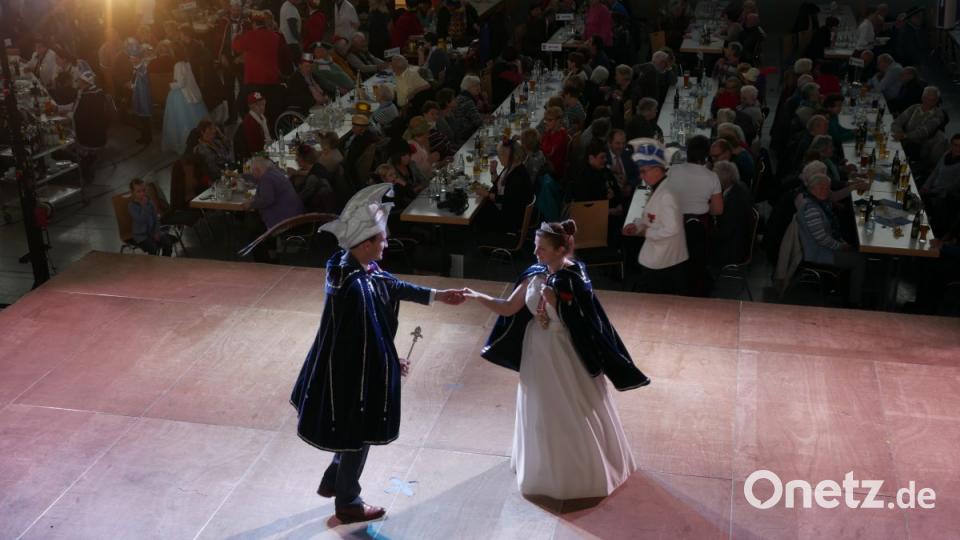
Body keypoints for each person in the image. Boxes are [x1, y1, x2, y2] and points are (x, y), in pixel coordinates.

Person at [291, 184, 465, 523]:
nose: (386, 244)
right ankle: (348, 502)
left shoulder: (351, 267)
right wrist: (389, 363)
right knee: (360, 433)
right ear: (366, 243)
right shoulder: (354, 287)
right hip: (352, 374)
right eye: (382, 239)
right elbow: (365, 339)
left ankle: (334, 479)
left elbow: (391, 286)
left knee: (349, 428)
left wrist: (438, 296)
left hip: (344, 368)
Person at [464, 219, 648, 499]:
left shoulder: (574, 279)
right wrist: (477, 296)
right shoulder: (535, 273)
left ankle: (580, 474)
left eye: (542, 249)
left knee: (570, 408)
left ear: (561, 250)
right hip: (536, 350)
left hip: (564, 353)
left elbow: (586, 322)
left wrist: (556, 303)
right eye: (535, 247)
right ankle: (541, 468)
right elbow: (509, 308)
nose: (536, 254)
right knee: (540, 407)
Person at [623, 139, 688, 295]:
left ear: (657, 169)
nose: (641, 176)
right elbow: (652, 216)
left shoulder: (667, 195)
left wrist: (645, 232)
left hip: (665, 259)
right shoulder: (659, 187)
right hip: (659, 257)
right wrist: (637, 225)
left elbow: (672, 229)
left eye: (644, 171)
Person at [795, 173, 865, 305]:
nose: (826, 191)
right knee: (859, 259)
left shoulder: (812, 200)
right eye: (823, 188)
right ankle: (854, 302)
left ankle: (846, 288)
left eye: (827, 188)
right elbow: (822, 239)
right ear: (813, 188)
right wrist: (842, 246)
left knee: (853, 247)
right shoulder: (812, 209)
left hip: (822, 248)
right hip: (818, 253)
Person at [474, 139, 534, 234]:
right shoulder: (512, 167)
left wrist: (487, 194)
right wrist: (493, 171)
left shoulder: (517, 176)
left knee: (477, 211)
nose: (498, 157)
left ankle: (481, 239)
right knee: (480, 205)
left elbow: (504, 199)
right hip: (510, 211)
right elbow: (501, 185)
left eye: (500, 155)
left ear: (508, 156)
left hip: (510, 220)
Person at [162, 46, 209, 155]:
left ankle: (182, 142)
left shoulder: (177, 65)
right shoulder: (187, 63)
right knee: (192, 118)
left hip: (180, 95)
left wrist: (170, 85)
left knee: (179, 119)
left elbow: (181, 83)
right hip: (190, 93)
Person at [128, 178, 176, 256]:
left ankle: (165, 263)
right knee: (153, 248)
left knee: (167, 242)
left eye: (143, 190)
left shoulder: (149, 202)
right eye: (138, 191)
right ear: (133, 192)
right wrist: (144, 207)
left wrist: (156, 231)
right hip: (141, 235)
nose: (142, 194)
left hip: (153, 231)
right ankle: (153, 265)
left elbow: (156, 218)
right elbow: (140, 220)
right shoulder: (131, 206)